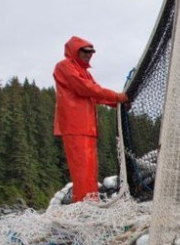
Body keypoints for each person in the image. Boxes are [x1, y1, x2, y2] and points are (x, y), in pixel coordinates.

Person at [54, 36, 128, 203]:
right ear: (75, 51)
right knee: (81, 170)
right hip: (74, 126)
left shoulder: (85, 73)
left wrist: (117, 103)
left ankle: (91, 202)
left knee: (90, 170)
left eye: (91, 52)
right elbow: (85, 88)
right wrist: (117, 97)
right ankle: (83, 206)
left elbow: (96, 94)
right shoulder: (64, 67)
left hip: (88, 128)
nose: (89, 55)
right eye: (85, 51)